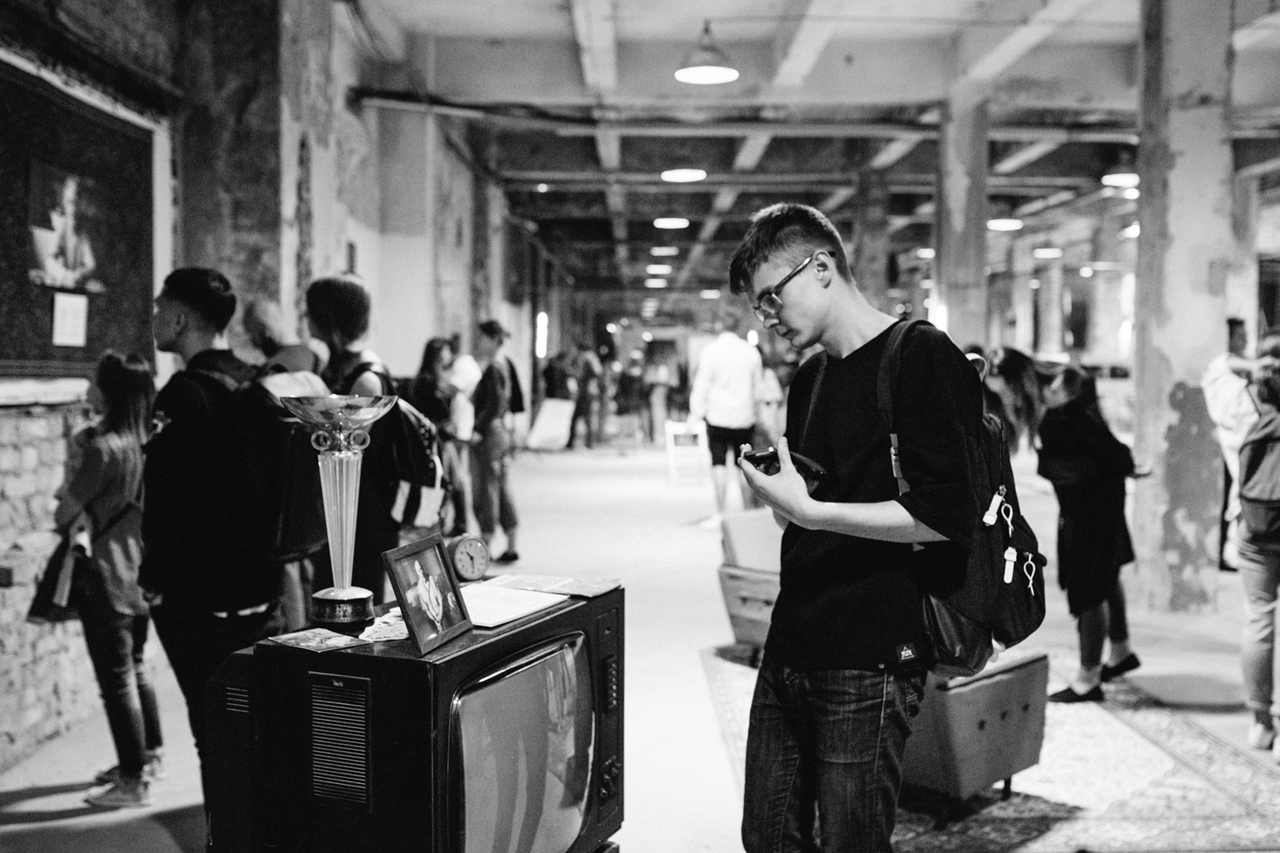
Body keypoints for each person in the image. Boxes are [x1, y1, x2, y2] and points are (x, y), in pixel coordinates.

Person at [729, 203, 977, 852]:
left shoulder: (920, 354)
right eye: (758, 307)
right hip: (792, 640)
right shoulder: (811, 376)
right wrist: (785, 499)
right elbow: (816, 504)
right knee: (766, 837)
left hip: (872, 652)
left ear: (821, 268)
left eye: (771, 297)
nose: (767, 317)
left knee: (852, 841)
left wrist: (812, 512)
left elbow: (946, 517)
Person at [140, 268, 286, 803]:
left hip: (200, 597)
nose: (155, 318)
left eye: (160, 309)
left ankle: (224, 834)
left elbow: (166, 502)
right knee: (256, 728)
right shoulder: (258, 382)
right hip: (262, 587)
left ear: (180, 319)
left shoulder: (182, 395)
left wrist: (153, 580)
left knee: (213, 732)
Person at [56, 352, 162, 809]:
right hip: (141, 575)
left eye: (95, 382)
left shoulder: (103, 450)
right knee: (135, 668)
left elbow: (64, 511)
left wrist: (74, 460)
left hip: (105, 576)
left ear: (110, 393)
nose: (89, 390)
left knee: (116, 681)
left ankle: (133, 780)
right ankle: (149, 757)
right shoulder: (150, 445)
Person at [1037, 364, 1145, 702]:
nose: (1049, 392)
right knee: (1106, 580)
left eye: (1056, 387)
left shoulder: (1063, 420)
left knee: (1089, 590)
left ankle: (1088, 677)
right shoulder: (1083, 414)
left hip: (1088, 517)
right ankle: (1120, 652)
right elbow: (1118, 456)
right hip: (1102, 512)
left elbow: (1110, 459)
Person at [305, 275, 399, 603]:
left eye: (310, 312)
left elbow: (344, 445)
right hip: (340, 504)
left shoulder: (367, 378)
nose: (305, 320)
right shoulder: (339, 367)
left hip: (361, 510)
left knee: (357, 599)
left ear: (328, 319)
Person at [1232, 332, 1280, 753]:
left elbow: (1217, 370)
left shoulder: (1239, 407)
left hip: (1254, 525)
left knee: (1258, 620)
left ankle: (1261, 723)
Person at [1202, 318, 1262, 572]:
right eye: (1240, 335)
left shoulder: (1234, 376)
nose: (1245, 340)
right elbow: (1229, 362)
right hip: (1240, 448)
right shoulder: (1219, 369)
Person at [689, 312, 763, 517]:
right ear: (738, 326)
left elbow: (702, 384)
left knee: (718, 463)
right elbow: (758, 388)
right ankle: (746, 511)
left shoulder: (710, 351)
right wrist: (758, 414)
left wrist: (695, 412)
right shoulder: (750, 352)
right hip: (744, 417)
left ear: (720, 326)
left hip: (717, 416)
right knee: (744, 464)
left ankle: (721, 511)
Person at [408, 337, 475, 535]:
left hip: (444, 439)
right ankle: (440, 524)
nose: (449, 355)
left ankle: (456, 525)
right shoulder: (427, 380)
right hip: (437, 440)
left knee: (454, 482)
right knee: (446, 482)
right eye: (445, 351)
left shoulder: (439, 377)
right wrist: (445, 426)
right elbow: (427, 413)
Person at [472, 320, 520, 563]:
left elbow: (494, 402)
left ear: (492, 339)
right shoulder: (505, 363)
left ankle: (486, 542)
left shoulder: (493, 367)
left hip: (490, 433)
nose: (478, 342)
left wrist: (478, 428)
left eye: (481, 337)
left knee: (487, 488)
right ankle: (511, 542)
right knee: (501, 485)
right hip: (500, 432)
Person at [241, 296, 325, 374]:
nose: (254, 344)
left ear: (264, 329)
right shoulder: (317, 360)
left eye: (253, 336)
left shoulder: (272, 371)